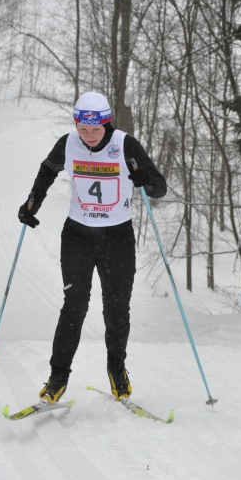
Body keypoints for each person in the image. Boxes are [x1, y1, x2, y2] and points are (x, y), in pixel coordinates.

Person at [18, 91, 167, 404]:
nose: (88, 137)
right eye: (82, 129)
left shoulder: (125, 144)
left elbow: (159, 188)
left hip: (117, 240)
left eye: (95, 130)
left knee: (116, 311)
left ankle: (117, 371)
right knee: (74, 307)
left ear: (106, 124)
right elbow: (48, 171)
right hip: (78, 237)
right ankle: (57, 378)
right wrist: (32, 204)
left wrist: (144, 178)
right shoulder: (67, 142)